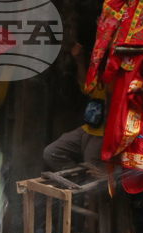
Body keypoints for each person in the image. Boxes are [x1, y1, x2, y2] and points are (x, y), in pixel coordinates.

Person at [43, 42, 106, 171]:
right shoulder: (98, 65)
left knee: (93, 168)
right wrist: (80, 62)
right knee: (51, 152)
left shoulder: (119, 64)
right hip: (89, 127)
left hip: (106, 131)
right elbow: (86, 88)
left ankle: (89, 184)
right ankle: (80, 181)